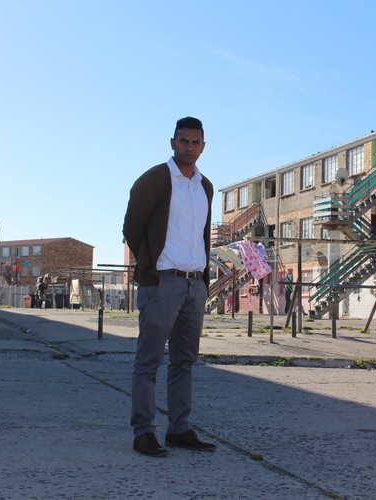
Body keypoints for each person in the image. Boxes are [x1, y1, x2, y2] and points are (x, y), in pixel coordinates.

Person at [123, 116, 216, 457]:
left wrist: (203, 281)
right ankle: (144, 432)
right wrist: (150, 268)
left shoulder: (204, 186)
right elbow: (132, 228)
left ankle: (179, 428)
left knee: (184, 361)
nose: (189, 147)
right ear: (172, 143)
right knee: (148, 361)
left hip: (195, 286)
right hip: (162, 282)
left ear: (202, 147)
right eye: (183, 141)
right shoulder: (155, 180)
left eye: (195, 142)